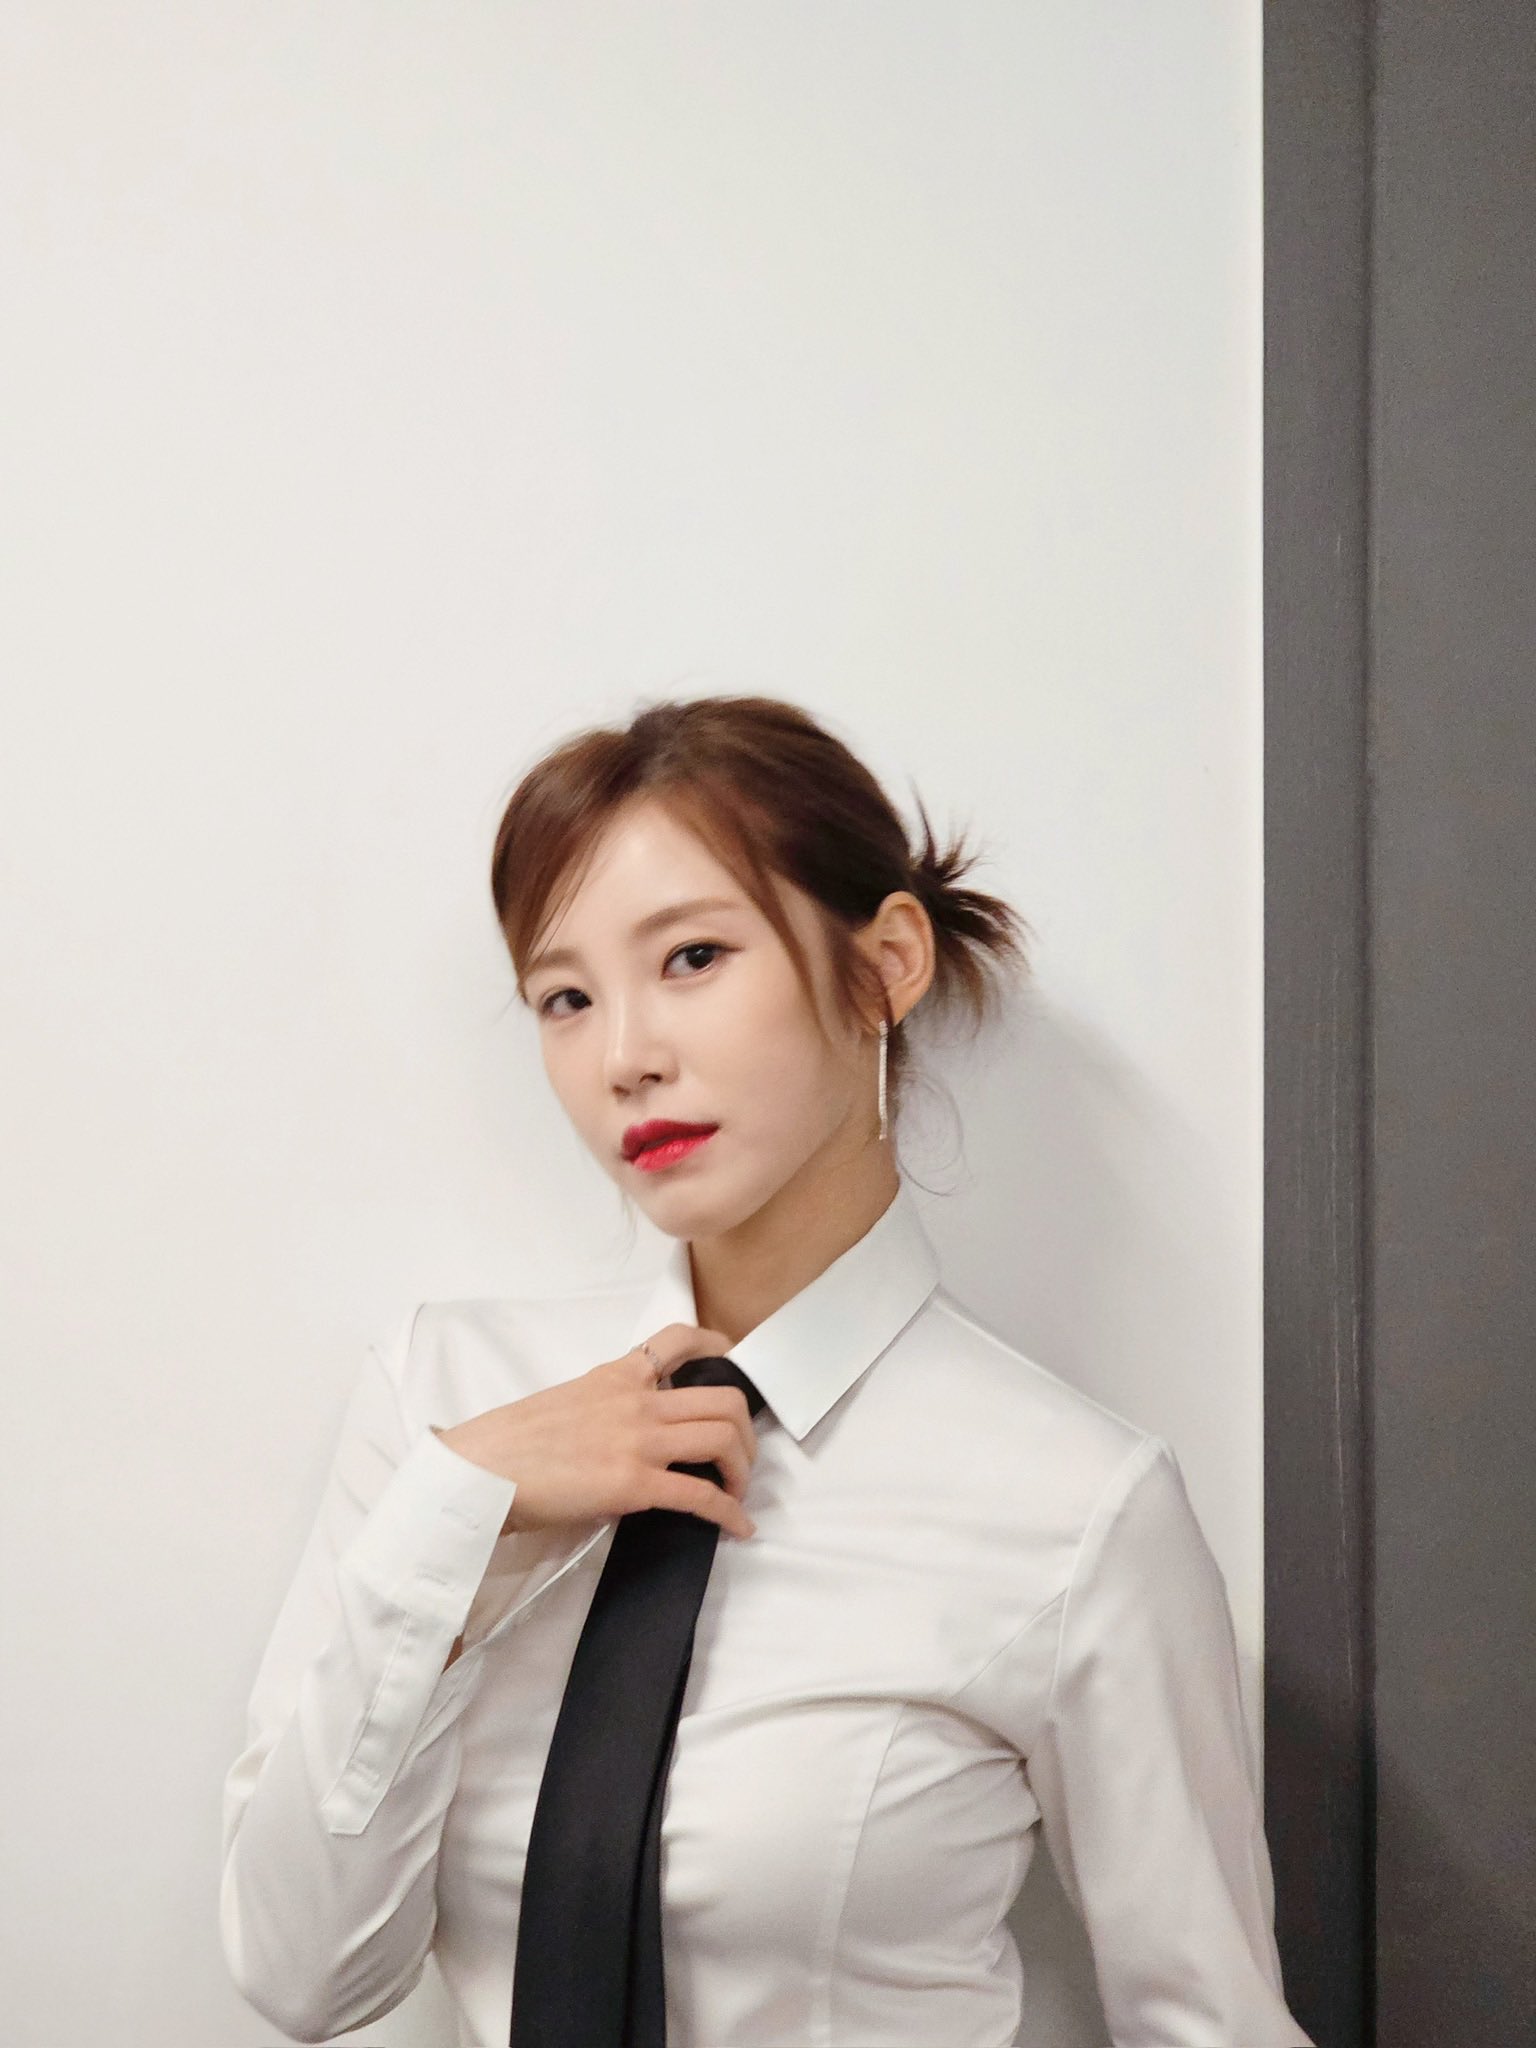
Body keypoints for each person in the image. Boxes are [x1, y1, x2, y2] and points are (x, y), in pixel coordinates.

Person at [220, 694, 1312, 2048]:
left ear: (885, 964)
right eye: (566, 999)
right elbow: (301, 1978)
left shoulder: (1079, 1510)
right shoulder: (442, 1396)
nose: (626, 1058)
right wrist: (456, 1515)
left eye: (693, 957)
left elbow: (1210, 2024)